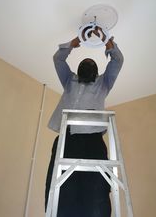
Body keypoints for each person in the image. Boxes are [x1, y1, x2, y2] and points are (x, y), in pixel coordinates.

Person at [45, 28, 124, 217]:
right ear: (78, 70)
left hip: (92, 141)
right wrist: (74, 42)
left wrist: (106, 39)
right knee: (61, 188)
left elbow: (117, 61)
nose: (87, 64)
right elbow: (58, 59)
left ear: (96, 72)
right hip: (67, 138)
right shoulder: (69, 80)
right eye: (84, 63)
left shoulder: (103, 83)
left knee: (95, 187)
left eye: (90, 63)